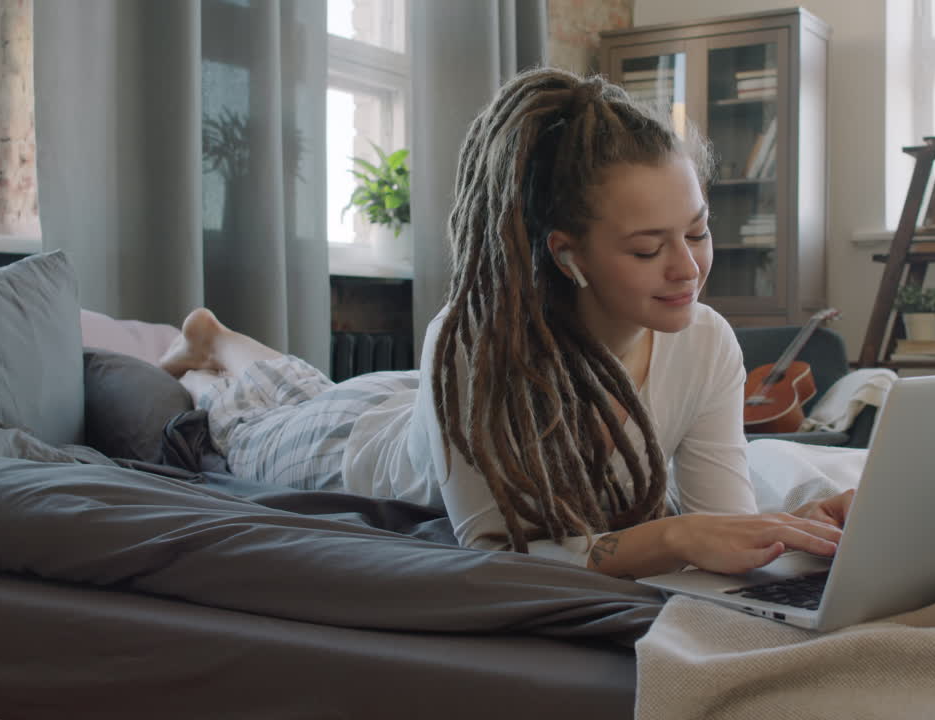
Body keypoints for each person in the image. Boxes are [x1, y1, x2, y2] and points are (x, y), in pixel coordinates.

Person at [161, 67, 854, 580]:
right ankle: (213, 338)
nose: (687, 269)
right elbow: (499, 554)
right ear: (567, 253)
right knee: (258, 416)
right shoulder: (475, 349)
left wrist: (795, 535)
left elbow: (721, 524)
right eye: (648, 248)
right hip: (353, 450)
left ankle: (218, 338)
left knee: (312, 383)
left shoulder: (705, 343)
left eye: (697, 233)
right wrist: (672, 539)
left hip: (418, 405)